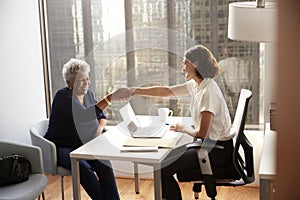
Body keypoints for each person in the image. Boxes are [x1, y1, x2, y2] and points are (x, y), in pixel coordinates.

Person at [129, 45, 234, 200]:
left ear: (196, 64)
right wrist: (134, 91)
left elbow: (202, 133)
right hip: (209, 145)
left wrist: (182, 128)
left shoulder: (208, 92)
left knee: (162, 167)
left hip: (217, 151)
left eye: (185, 62)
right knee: (161, 162)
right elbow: (166, 91)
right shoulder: (197, 84)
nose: (182, 66)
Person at [44, 58, 130, 200]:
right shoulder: (63, 97)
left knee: (105, 166)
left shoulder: (88, 93)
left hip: (86, 144)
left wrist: (98, 131)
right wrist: (110, 98)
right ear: (69, 83)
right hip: (62, 147)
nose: (86, 83)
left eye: (87, 79)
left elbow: (101, 116)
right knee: (83, 168)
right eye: (81, 80)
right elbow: (84, 116)